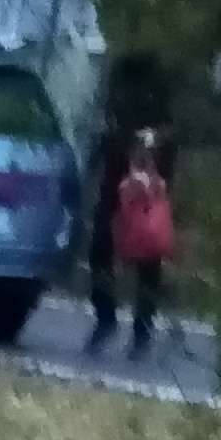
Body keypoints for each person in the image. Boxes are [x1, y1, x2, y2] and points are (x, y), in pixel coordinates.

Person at [114, 131, 175, 356]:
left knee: (144, 287)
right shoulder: (154, 181)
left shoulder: (135, 181)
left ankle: (140, 334)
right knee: (147, 287)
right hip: (149, 240)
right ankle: (142, 333)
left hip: (139, 238)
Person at [85, 116, 132, 346]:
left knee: (102, 258)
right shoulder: (112, 139)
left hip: (123, 206)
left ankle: (111, 320)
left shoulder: (119, 140)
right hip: (116, 205)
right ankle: (109, 317)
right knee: (100, 259)